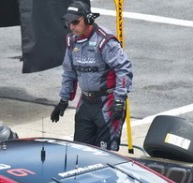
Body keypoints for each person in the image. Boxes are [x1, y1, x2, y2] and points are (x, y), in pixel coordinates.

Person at [50, 1, 133, 151]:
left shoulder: (105, 41)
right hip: (86, 104)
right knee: (79, 152)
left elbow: (124, 69)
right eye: (69, 22)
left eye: (75, 22)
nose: (71, 27)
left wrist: (120, 100)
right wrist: (63, 100)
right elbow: (69, 73)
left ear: (88, 19)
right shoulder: (72, 41)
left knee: (105, 154)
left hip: (107, 104)